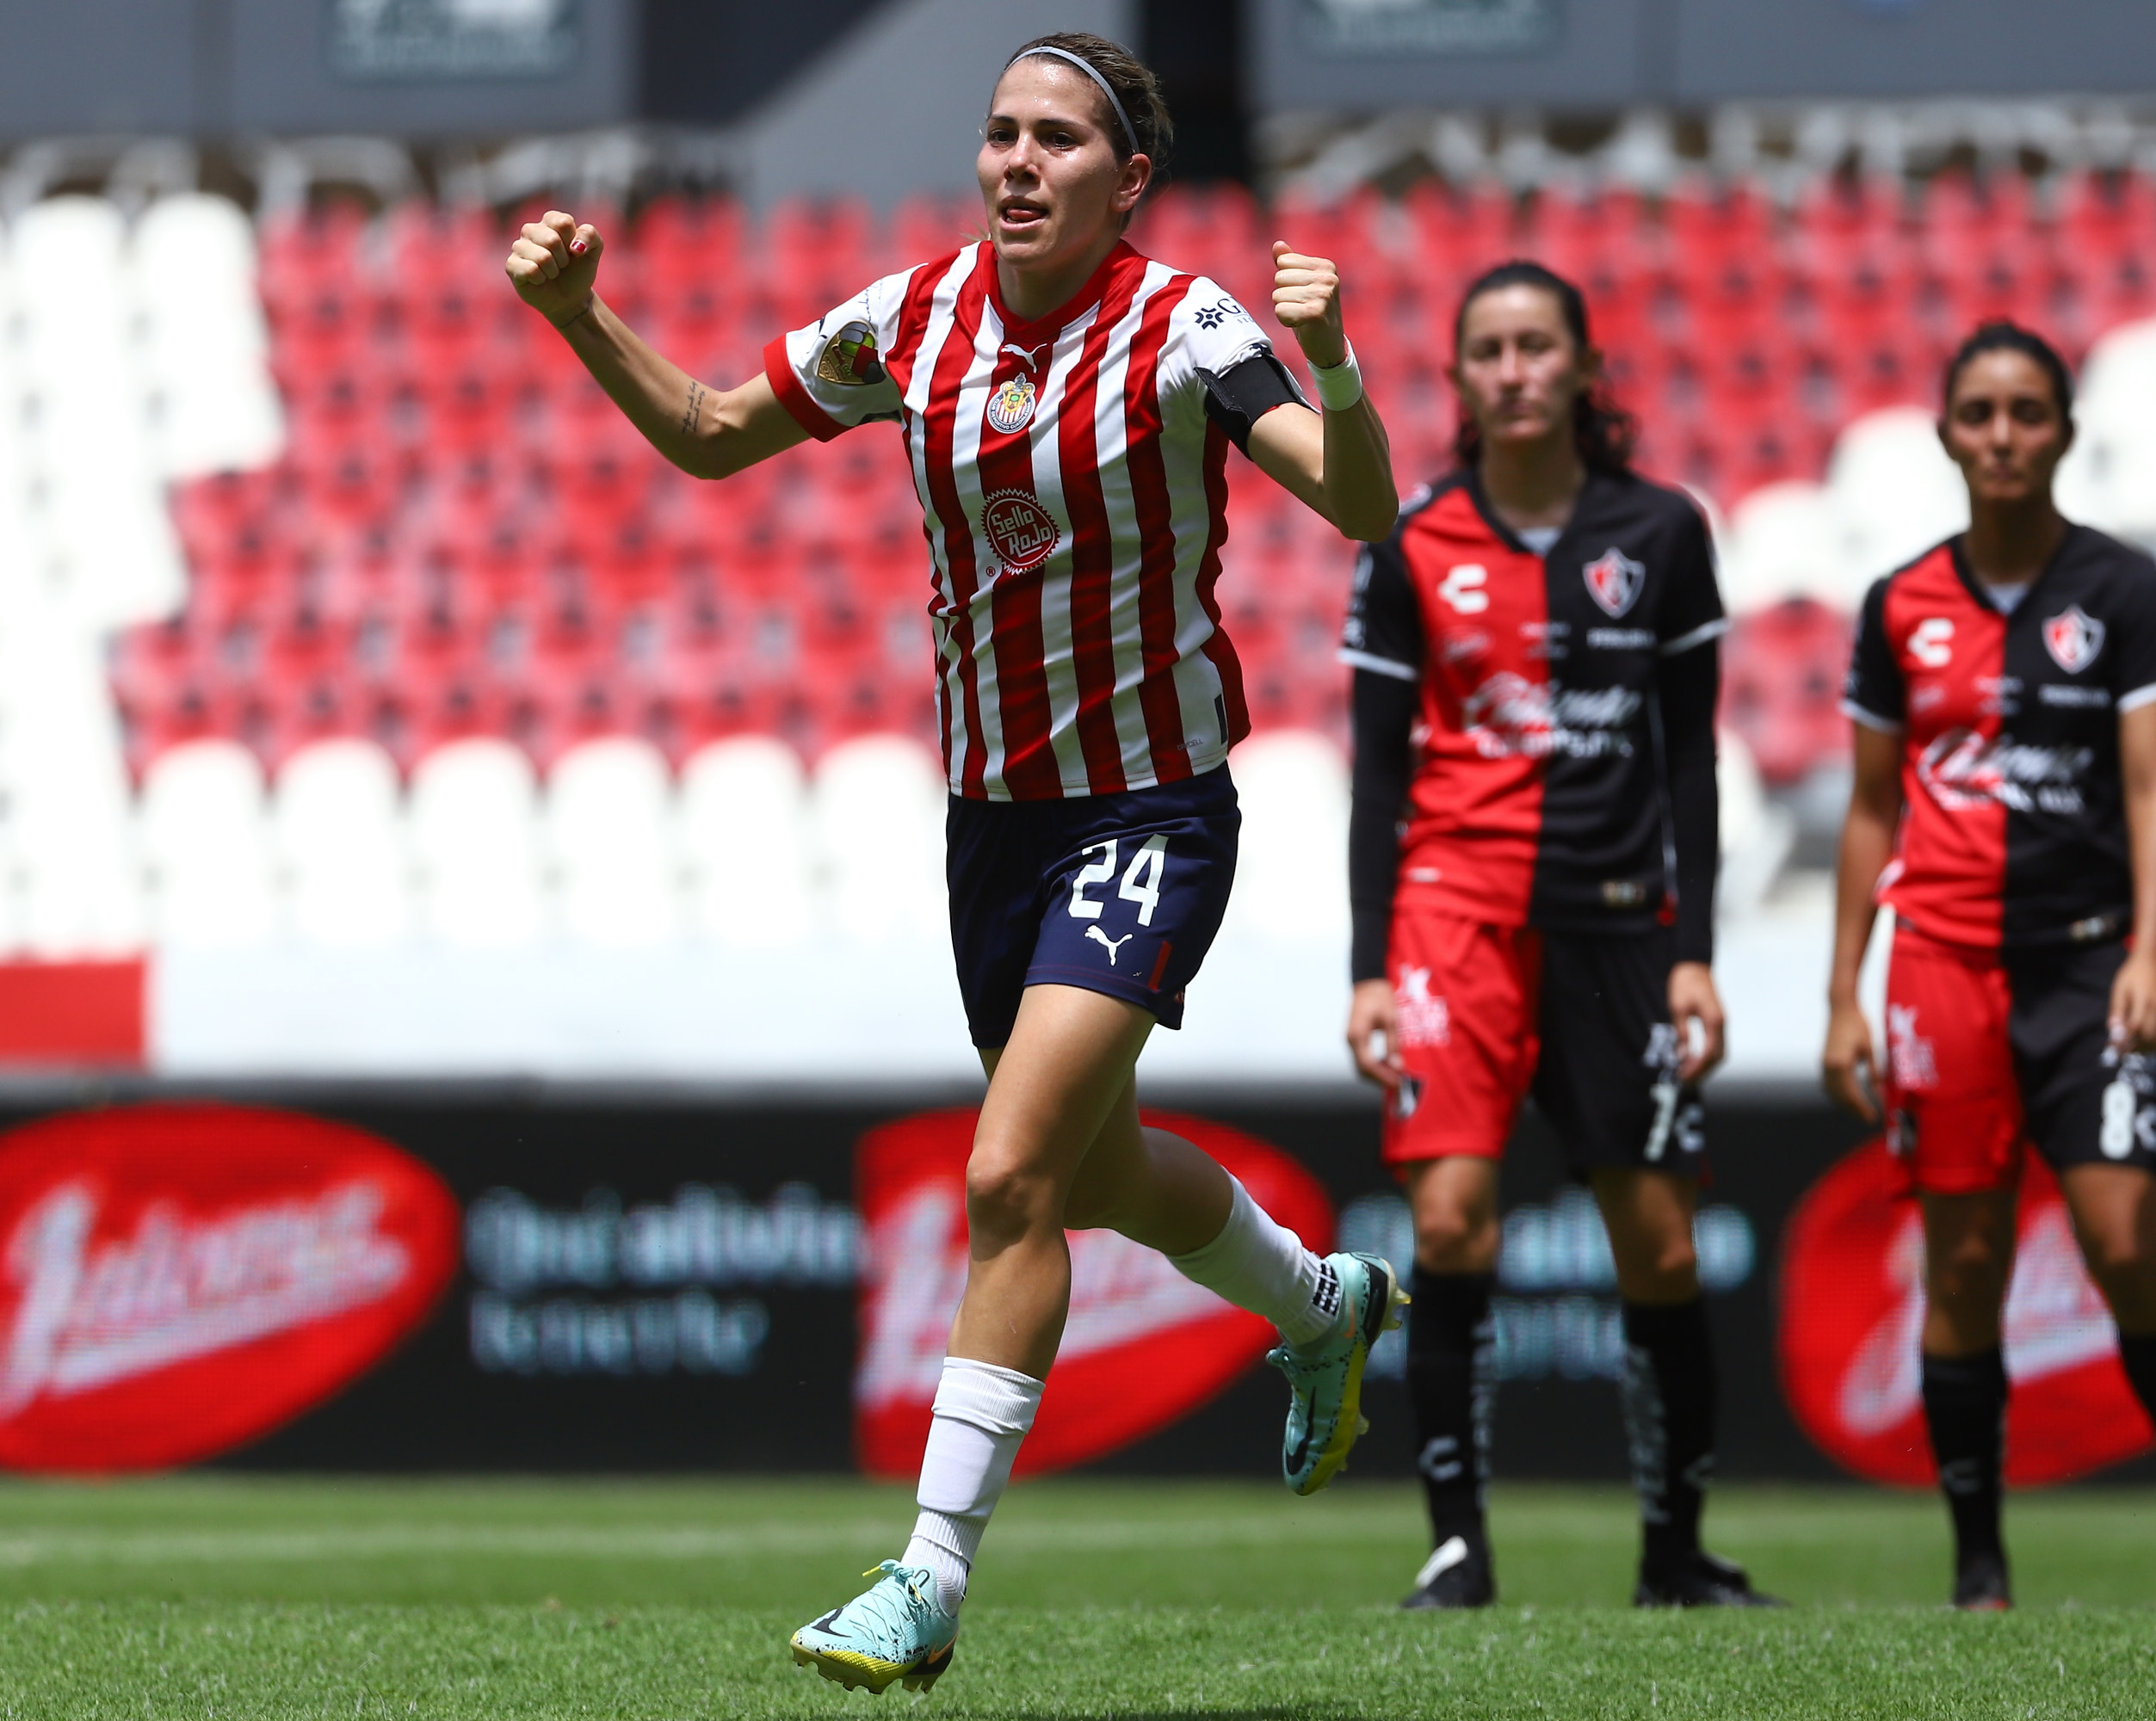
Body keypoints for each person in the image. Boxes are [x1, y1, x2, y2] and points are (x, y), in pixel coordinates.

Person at [506, 32, 1406, 1695]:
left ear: (1128, 179)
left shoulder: (1192, 329)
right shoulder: (906, 320)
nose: (1015, 162)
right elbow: (711, 433)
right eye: (999, 132)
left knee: (1004, 1181)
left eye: (1056, 140)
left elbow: (1363, 507)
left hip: (1150, 807)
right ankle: (1322, 1310)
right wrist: (575, 318)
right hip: (992, 821)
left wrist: (1334, 364)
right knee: (1093, 1175)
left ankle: (925, 1580)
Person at [1340, 261, 1773, 1612]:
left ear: (1588, 372)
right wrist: (1367, 966)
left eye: (1538, 346)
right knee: (1453, 1218)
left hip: (1618, 926)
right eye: (1489, 349)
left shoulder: (1663, 531)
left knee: (1660, 1246)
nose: (1514, 368)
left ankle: (1673, 1552)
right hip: (1452, 919)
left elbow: (1691, 760)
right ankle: (1457, 1545)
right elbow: (1375, 772)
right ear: (1461, 378)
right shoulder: (1410, 538)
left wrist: (1695, 944)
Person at [1819, 321, 2156, 1613]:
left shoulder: (2125, 590)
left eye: (2028, 412)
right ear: (1949, 433)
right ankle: (1980, 1569)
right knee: (1962, 1266)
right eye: (1980, 413)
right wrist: (1845, 991)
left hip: (2085, 971)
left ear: (2064, 431)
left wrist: (2153, 954)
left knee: (2125, 1240)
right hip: (1941, 968)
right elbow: (1866, 809)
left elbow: (2153, 789)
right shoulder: (1899, 602)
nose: (2004, 435)